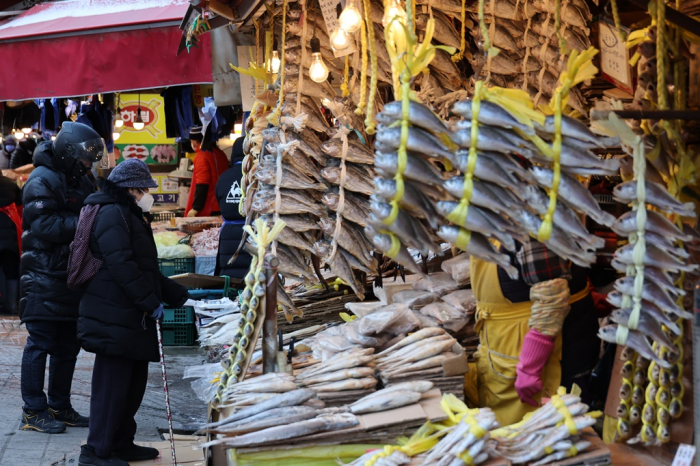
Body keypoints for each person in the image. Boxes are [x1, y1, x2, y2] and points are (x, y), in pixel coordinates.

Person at [76, 159, 190, 466]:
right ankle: (96, 451)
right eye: (144, 190)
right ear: (130, 189)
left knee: (132, 384)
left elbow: (144, 267)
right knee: (111, 387)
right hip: (114, 314)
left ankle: (121, 442)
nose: (147, 195)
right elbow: (122, 266)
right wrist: (149, 302)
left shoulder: (130, 213)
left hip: (129, 315)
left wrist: (173, 293)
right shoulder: (113, 213)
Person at [19, 122, 103, 433]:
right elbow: (45, 226)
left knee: (68, 346)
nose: (86, 167)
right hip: (42, 274)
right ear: (69, 154)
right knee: (39, 343)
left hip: (70, 274)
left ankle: (60, 405)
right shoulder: (42, 179)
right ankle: (33, 410)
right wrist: (86, 221)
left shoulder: (78, 179)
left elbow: (88, 208)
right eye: (83, 161)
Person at [465, 239, 599, 426]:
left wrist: (530, 366)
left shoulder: (526, 224)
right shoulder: (494, 216)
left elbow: (551, 298)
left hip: (547, 353)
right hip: (505, 347)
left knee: (552, 434)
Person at [214, 137, 252, 278]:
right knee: (250, 278)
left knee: (230, 278)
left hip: (228, 236)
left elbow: (219, 200)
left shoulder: (224, 177)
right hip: (252, 233)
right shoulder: (254, 175)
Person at [185, 126, 228, 217]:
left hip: (209, 207)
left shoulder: (201, 156)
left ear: (196, 141)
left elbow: (202, 184)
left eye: (191, 141)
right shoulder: (221, 154)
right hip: (223, 204)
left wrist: (196, 208)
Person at [0, 170, 22, 315]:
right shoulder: (10, 184)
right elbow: (21, 206)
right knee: (11, 270)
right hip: (9, 232)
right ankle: (12, 304)